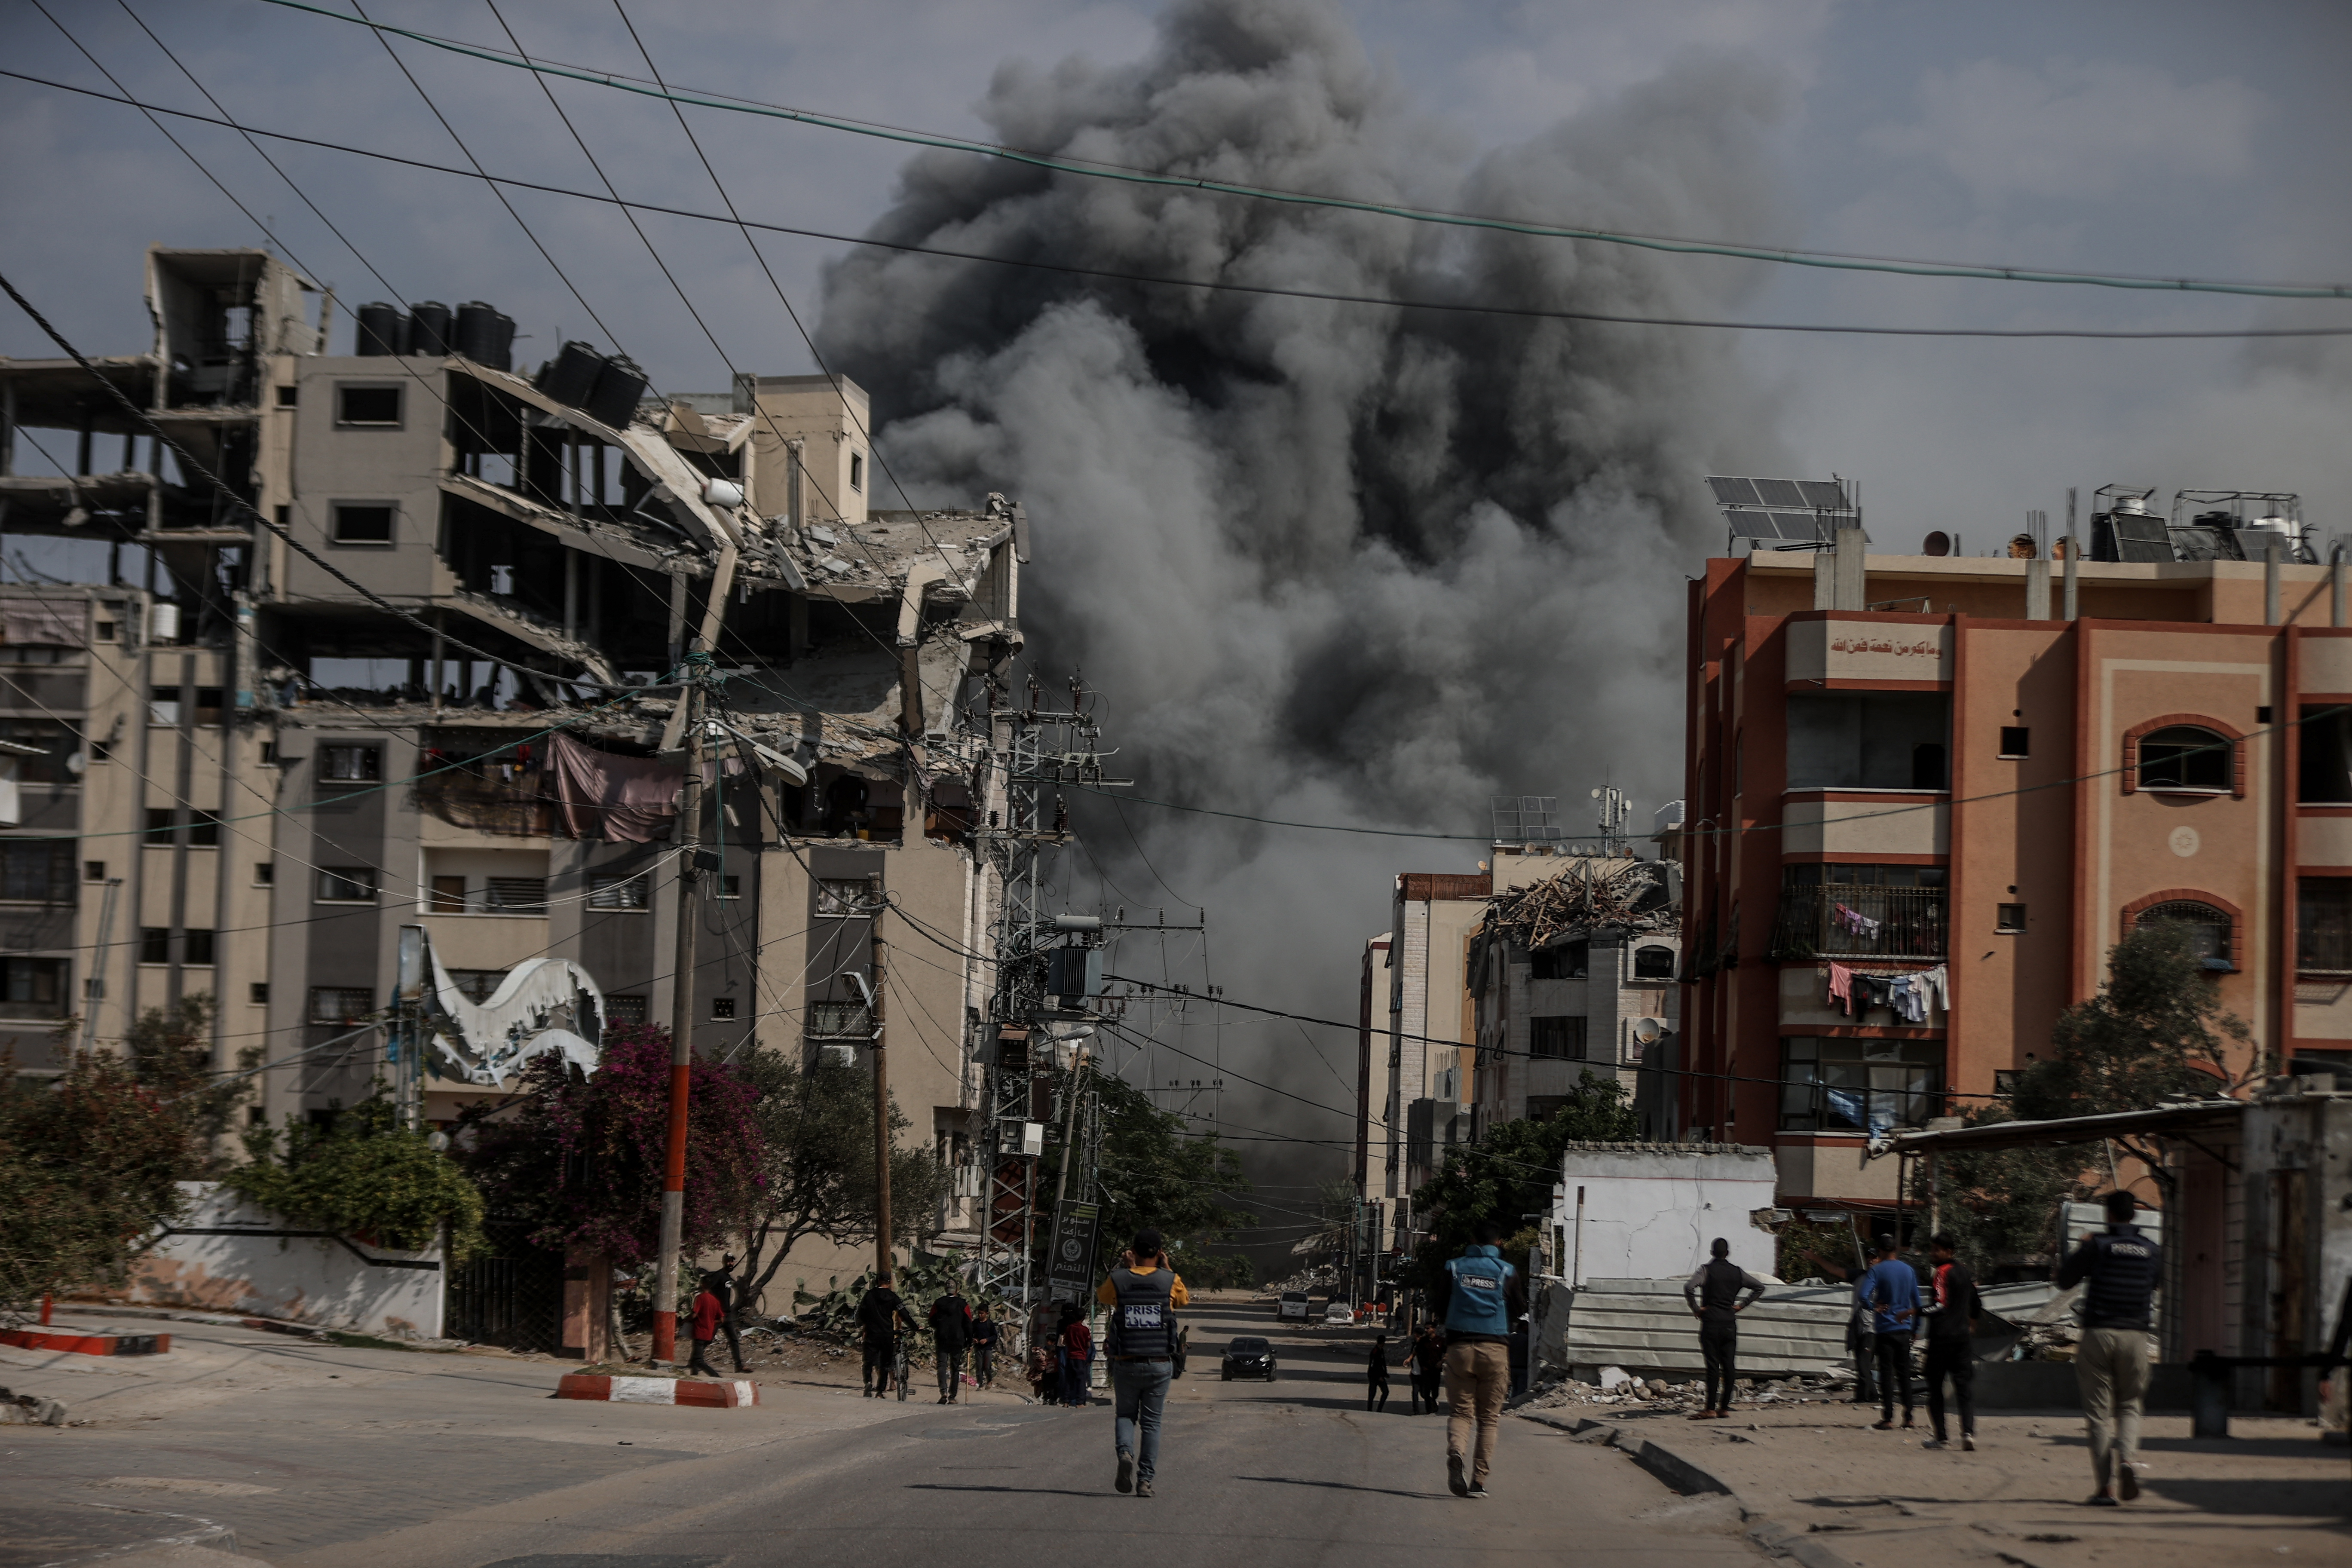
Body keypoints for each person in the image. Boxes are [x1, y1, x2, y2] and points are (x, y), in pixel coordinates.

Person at [2058, 1191, 2163, 1505]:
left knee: (2098, 1413)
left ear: (2109, 1215)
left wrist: (2083, 1248)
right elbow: (2157, 1283)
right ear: (2134, 1215)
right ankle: (2128, 1460)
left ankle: (2105, 1488)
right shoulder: (2152, 1250)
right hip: (2136, 1336)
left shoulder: (2098, 1246)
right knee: (2130, 1404)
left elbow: (2064, 1280)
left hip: (2099, 1334)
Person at [1431, 1219, 1526, 1498]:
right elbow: (1521, 1309)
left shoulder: (1454, 1267)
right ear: (1498, 1243)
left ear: (1472, 1241)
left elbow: (1439, 1306)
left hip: (1460, 1349)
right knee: (1488, 1419)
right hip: (1495, 1349)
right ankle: (1479, 1482)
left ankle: (1456, 1453)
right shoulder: (1506, 1271)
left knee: (1461, 1413)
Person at [1097, 1228, 1189, 1497]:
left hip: (1126, 1362)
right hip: (1160, 1363)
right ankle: (1145, 1481)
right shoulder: (1170, 1280)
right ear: (1159, 1253)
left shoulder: (1118, 1278)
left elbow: (1104, 1297)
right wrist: (1168, 1268)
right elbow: (1182, 1301)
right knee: (1152, 1424)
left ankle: (1125, 1453)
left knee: (1126, 1415)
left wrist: (1127, 1268)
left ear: (1134, 1251)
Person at [1683, 1237, 1768, 1420]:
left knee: (1713, 1366)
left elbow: (1689, 1287)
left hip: (1711, 1323)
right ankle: (1724, 1408)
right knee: (1729, 1366)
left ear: (1712, 1253)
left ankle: (1709, 1409)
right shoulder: (1737, 1273)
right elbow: (1759, 1287)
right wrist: (1741, 1305)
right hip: (1730, 1323)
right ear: (1727, 1254)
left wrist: (1697, 1310)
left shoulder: (1706, 1271)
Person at [1920, 1233, 1980, 1452]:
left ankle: (1941, 1438)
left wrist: (1914, 1311)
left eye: (1937, 1250)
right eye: (1932, 1249)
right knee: (1964, 1388)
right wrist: (1972, 1325)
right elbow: (1976, 1302)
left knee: (1935, 1387)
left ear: (1949, 1252)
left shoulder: (1941, 1273)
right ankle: (1968, 1433)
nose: (1933, 1254)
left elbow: (1939, 1305)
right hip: (1962, 1339)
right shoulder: (1964, 1272)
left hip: (1941, 1339)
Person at [1859, 1233, 1920, 1430]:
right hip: (1904, 1329)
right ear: (1896, 1249)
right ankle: (1909, 1417)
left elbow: (1863, 1295)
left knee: (1886, 1374)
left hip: (1885, 1328)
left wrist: (1872, 1306)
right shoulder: (1908, 1270)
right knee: (1904, 1374)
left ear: (1880, 1251)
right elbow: (1917, 1302)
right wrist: (1916, 1328)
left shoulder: (1877, 1270)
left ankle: (1888, 1418)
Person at [856, 1271, 916, 1398]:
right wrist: (915, 1327)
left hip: (872, 1334)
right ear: (890, 1282)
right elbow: (904, 1313)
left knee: (868, 1362)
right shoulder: (893, 1297)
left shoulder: (869, 1295)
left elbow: (861, 1314)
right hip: (887, 1335)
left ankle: (868, 1382)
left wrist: (866, 1325)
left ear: (878, 1281)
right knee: (885, 1364)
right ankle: (880, 1392)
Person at [702, 1254, 748, 1374]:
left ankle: (738, 1366)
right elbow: (707, 1288)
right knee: (708, 1339)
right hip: (717, 1314)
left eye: (732, 1261)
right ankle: (696, 1360)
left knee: (734, 1339)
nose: (731, 1263)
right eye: (728, 1261)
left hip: (727, 1314)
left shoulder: (728, 1277)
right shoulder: (718, 1276)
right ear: (724, 1262)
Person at [930, 1282, 974, 1404]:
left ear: (946, 1289)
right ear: (957, 1289)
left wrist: (940, 1328)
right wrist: (969, 1341)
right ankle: (952, 1396)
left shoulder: (938, 1303)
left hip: (942, 1338)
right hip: (958, 1340)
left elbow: (932, 1320)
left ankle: (943, 1391)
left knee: (942, 1366)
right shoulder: (963, 1304)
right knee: (955, 1369)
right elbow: (968, 1323)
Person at [687, 1277, 726, 1378]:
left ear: (703, 1285)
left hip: (699, 1331)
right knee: (695, 1357)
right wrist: (712, 1322)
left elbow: (694, 1315)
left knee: (698, 1360)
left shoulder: (700, 1298)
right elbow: (722, 1320)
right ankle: (694, 1376)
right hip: (709, 1333)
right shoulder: (715, 1301)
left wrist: (685, 1320)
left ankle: (716, 1377)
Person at [1058, 1302, 1093, 1407]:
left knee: (1069, 1379)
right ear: (1084, 1317)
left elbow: (1065, 1342)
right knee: (1081, 1380)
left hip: (1070, 1356)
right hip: (1081, 1357)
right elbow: (1088, 1344)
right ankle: (1080, 1402)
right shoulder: (1085, 1330)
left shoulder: (1069, 1328)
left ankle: (1066, 1402)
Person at [1409, 1325, 1446, 1415]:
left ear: (1434, 1329)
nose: (1426, 1330)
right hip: (1425, 1370)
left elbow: (1448, 1353)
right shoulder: (1422, 1342)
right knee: (1424, 1391)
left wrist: (1441, 1362)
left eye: (1428, 1328)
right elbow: (1416, 1351)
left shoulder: (1441, 1341)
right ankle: (1427, 1410)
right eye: (1426, 1329)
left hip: (1436, 1370)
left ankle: (1433, 1401)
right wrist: (1409, 1359)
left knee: (1435, 1390)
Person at [971, 1304, 1001, 1389]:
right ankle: (981, 1384)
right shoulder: (975, 1323)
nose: (980, 1315)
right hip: (978, 1348)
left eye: (982, 1313)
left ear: (987, 1314)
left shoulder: (989, 1324)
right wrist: (974, 1339)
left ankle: (989, 1381)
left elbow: (995, 1336)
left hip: (987, 1348)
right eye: (979, 1313)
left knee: (987, 1366)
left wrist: (987, 1340)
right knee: (979, 1366)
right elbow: (971, 1334)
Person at [1366, 1332, 1394, 1412]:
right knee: (1373, 1393)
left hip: (1380, 1375)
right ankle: (1370, 1410)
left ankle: (1379, 1409)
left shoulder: (1381, 1351)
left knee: (1385, 1392)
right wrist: (1379, 1377)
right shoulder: (1375, 1351)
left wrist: (1385, 1373)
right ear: (1383, 1342)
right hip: (1374, 1375)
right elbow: (1375, 1365)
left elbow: (1383, 1364)